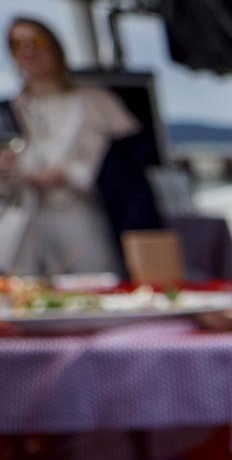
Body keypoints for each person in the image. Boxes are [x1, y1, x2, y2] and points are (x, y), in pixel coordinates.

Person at [0, 18, 139, 275]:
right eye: (17, 44)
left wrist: (70, 174)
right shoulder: (9, 110)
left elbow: (128, 171)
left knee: (96, 283)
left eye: (36, 42)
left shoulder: (94, 101)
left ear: (55, 47)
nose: (27, 51)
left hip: (84, 215)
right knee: (27, 296)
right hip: (26, 223)